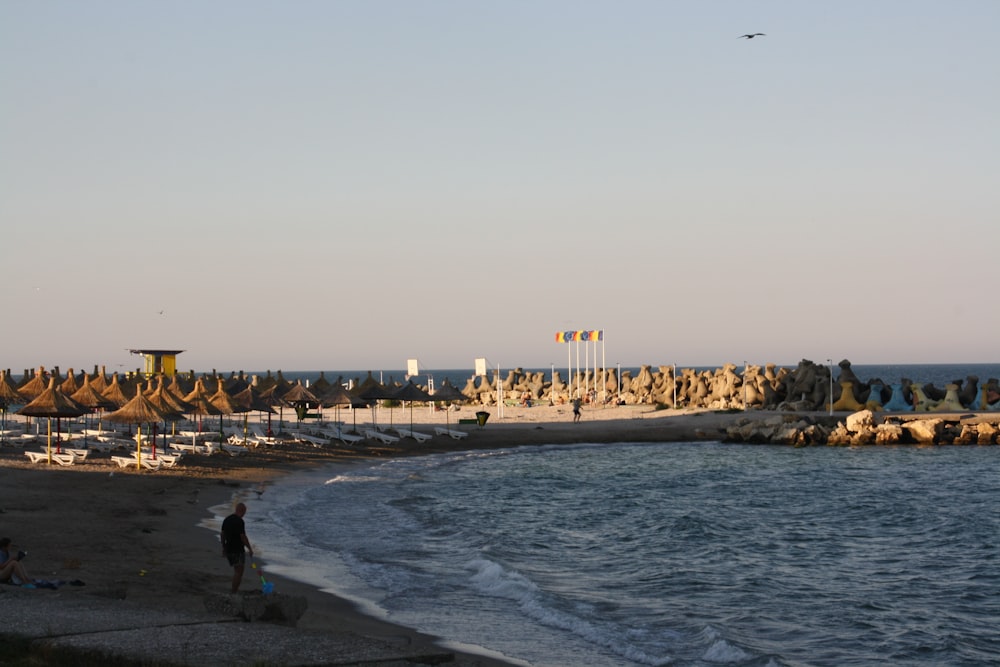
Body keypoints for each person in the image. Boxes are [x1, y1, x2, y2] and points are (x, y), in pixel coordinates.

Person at [220, 503, 253, 593]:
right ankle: (234, 591)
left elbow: (222, 534)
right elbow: (243, 537)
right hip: (237, 549)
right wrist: (250, 548)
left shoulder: (227, 519)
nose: (244, 514)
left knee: (237, 570)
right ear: (242, 511)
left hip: (229, 548)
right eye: (244, 512)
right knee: (239, 571)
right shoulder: (240, 521)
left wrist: (224, 547)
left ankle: (235, 589)